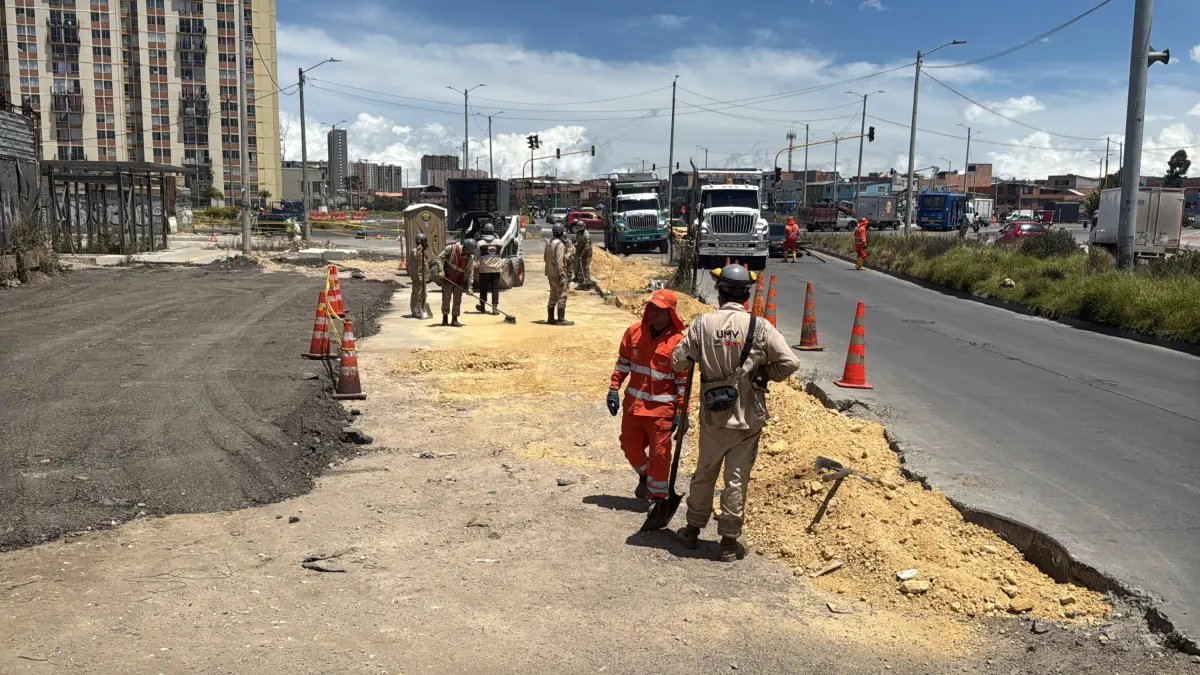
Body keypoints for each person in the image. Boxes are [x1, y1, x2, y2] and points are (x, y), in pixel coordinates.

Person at [672, 263, 800, 562]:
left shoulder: (703, 324)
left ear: (719, 291)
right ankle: (729, 541)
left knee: (705, 471)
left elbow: (679, 362)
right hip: (747, 417)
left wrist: (700, 356)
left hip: (713, 416)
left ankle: (692, 530)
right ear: (746, 294)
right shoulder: (760, 327)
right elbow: (790, 363)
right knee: (736, 478)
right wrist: (764, 374)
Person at [607, 289, 689, 504]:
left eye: (658, 310)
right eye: (650, 307)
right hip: (634, 407)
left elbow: (683, 382)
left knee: (660, 456)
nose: (652, 312)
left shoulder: (678, 342)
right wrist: (613, 388)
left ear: (670, 314)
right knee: (629, 447)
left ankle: (658, 498)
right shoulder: (634, 332)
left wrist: (682, 413)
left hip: (661, 413)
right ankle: (645, 475)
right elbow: (623, 363)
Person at [437, 237, 476, 327]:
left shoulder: (470, 258)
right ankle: (445, 318)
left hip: (459, 280)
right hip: (447, 278)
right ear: (465, 248)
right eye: (469, 251)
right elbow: (439, 257)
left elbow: (471, 272)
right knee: (446, 299)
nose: (469, 253)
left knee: (457, 300)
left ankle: (454, 319)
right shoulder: (451, 248)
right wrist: (441, 270)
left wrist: (470, 287)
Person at [543, 223, 575, 325]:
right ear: (561, 232)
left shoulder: (548, 243)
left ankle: (550, 318)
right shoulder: (560, 245)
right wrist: (561, 274)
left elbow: (545, 258)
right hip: (558, 273)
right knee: (562, 294)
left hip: (550, 273)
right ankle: (561, 319)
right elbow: (559, 261)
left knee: (553, 294)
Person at [474, 223, 503, 315]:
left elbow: (477, 256)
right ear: (493, 231)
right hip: (496, 270)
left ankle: (482, 306)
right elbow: (500, 254)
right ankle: (495, 308)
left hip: (484, 270)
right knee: (495, 289)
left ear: (484, 232)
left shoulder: (480, 243)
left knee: (483, 289)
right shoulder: (499, 242)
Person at [409, 232, 431, 319]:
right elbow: (418, 257)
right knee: (417, 294)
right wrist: (419, 249)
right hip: (418, 277)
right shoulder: (416, 251)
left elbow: (423, 263)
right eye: (424, 241)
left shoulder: (421, 251)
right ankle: (415, 311)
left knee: (422, 294)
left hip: (422, 276)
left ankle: (421, 308)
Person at [571, 216, 594, 288]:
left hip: (586, 254)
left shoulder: (587, 235)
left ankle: (587, 281)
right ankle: (578, 278)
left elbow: (587, 247)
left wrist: (581, 255)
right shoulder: (579, 233)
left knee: (586, 268)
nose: (579, 230)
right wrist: (575, 242)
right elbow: (576, 240)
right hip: (579, 252)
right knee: (577, 267)